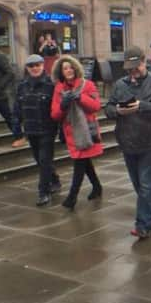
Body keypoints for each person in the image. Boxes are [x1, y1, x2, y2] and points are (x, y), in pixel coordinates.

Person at [105, 46, 151, 239]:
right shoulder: (120, 85)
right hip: (127, 140)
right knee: (138, 184)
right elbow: (108, 108)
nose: (133, 72)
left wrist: (142, 106)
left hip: (150, 141)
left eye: (137, 67)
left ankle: (143, 225)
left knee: (146, 184)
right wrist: (117, 111)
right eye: (130, 69)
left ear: (144, 62)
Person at [50, 55, 103, 210]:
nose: (69, 70)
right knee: (84, 161)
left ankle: (72, 197)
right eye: (65, 68)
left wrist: (80, 98)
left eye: (71, 67)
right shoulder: (59, 89)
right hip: (71, 132)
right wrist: (63, 106)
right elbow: (54, 114)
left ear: (76, 68)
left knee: (80, 162)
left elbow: (95, 106)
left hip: (87, 131)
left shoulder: (88, 85)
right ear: (61, 72)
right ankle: (97, 187)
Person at [11, 54, 61, 205]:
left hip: (47, 130)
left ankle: (43, 192)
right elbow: (17, 109)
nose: (34, 68)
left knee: (45, 160)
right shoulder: (21, 86)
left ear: (43, 65)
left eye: (37, 65)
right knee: (40, 160)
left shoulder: (51, 85)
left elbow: (58, 109)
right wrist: (17, 130)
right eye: (31, 66)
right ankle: (54, 180)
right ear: (27, 68)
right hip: (31, 130)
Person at [0, 50, 26, 147]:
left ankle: (19, 137)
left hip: (0, 95)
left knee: (9, 117)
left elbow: (10, 73)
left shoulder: (0, 57)